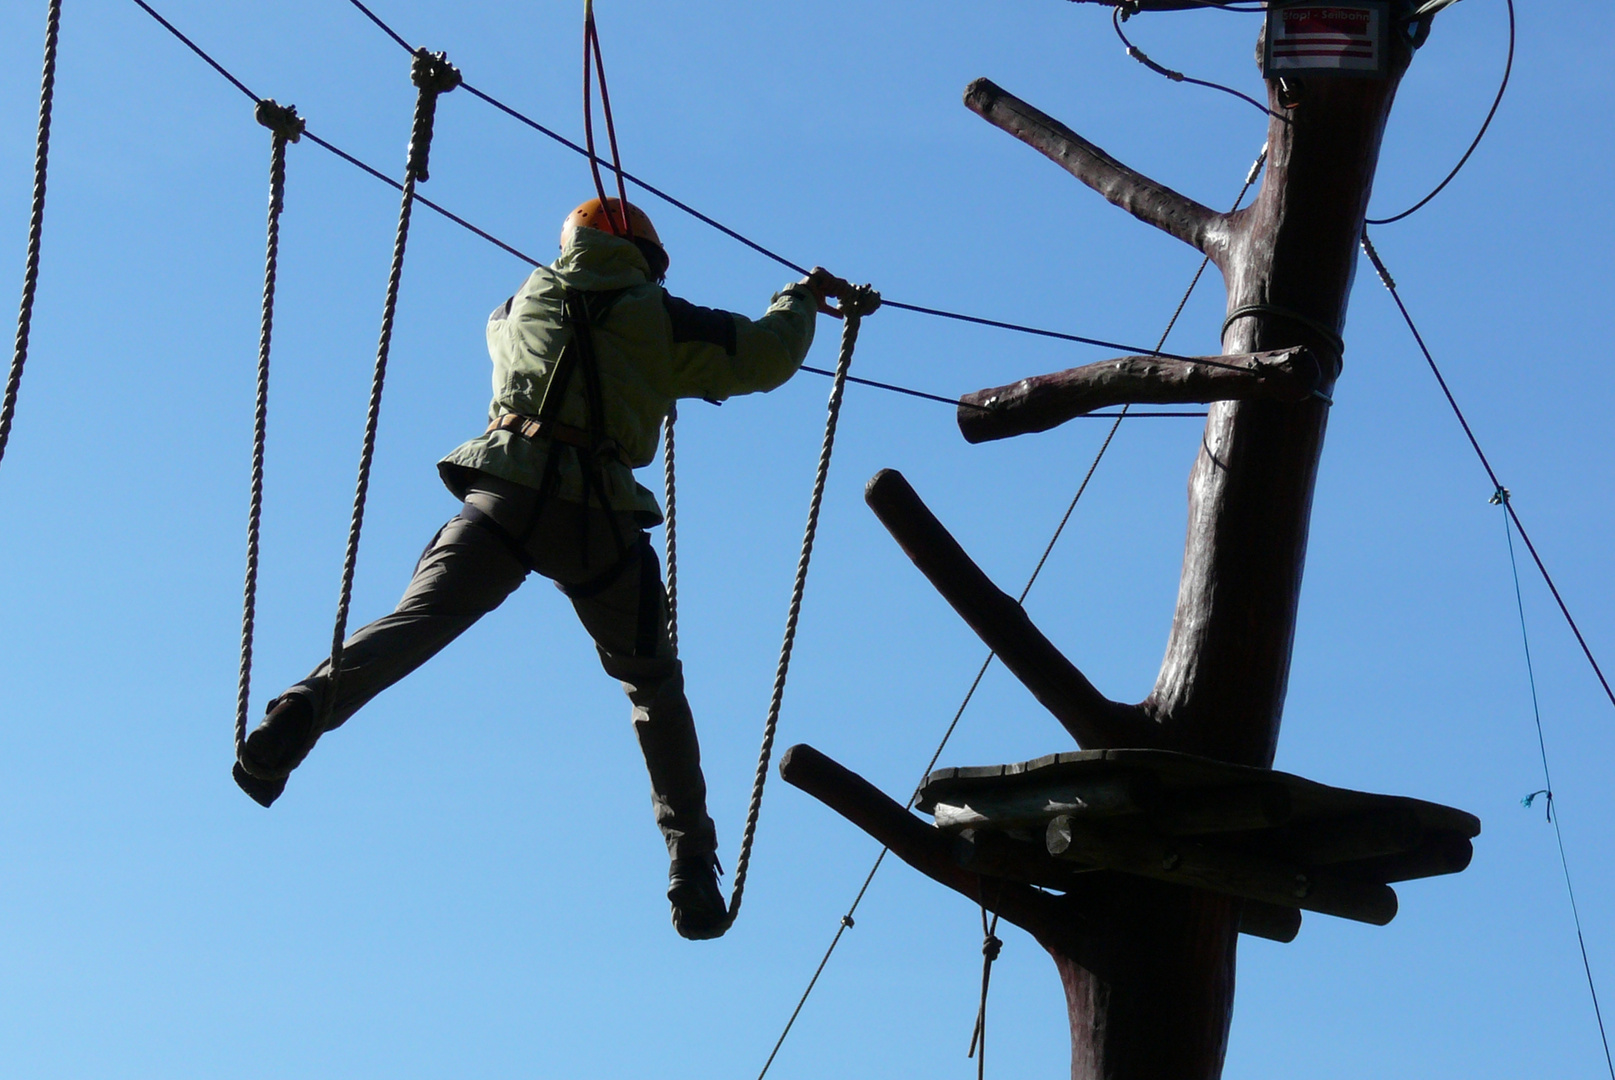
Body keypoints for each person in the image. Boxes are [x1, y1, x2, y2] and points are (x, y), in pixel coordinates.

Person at [233, 196, 849, 939]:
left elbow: (499, 333)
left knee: (415, 622)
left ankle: (302, 708)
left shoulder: (521, 301)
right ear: (650, 263)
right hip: (594, 515)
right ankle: (690, 864)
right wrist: (802, 299)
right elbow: (763, 355)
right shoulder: (663, 317)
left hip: (503, 493)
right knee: (651, 686)